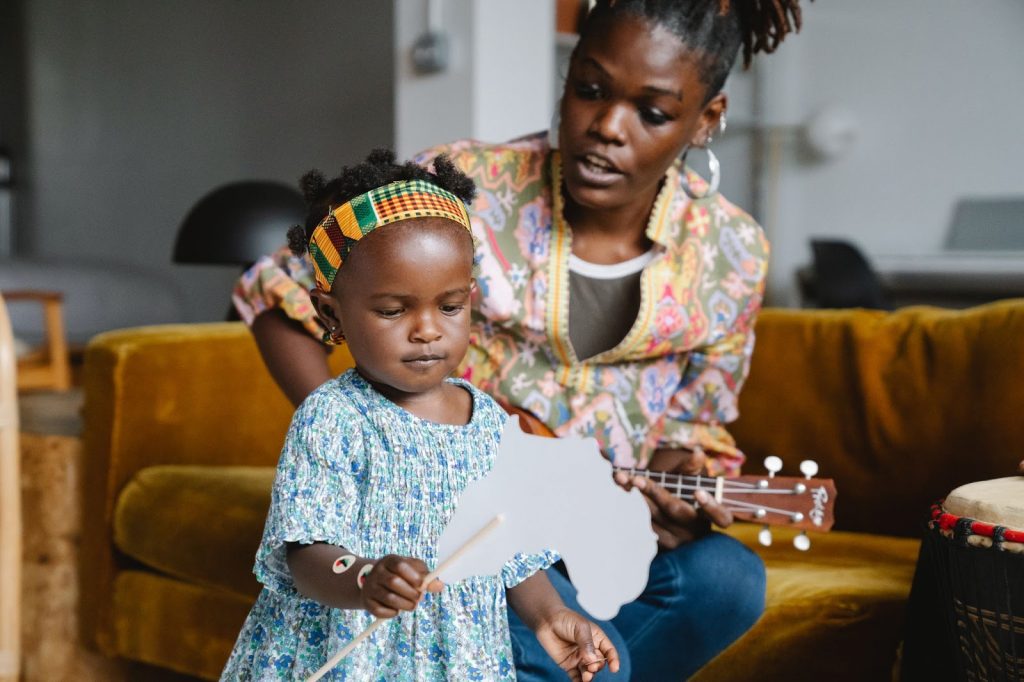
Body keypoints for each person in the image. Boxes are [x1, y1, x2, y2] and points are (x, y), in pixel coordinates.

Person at [232, 1, 809, 678]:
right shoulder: (460, 190)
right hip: (463, 522)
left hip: (598, 523)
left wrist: (684, 470)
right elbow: (275, 293)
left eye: (652, 112)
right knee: (601, 663)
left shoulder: (733, 251)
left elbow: (699, 420)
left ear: (707, 118)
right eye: (589, 90)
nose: (606, 128)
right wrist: (371, 429)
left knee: (728, 580)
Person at [221, 150, 618, 681]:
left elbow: (511, 543)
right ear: (330, 314)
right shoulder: (333, 419)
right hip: (349, 657)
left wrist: (551, 615)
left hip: (459, 660)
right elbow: (305, 553)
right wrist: (363, 578)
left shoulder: (491, 424)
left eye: (449, 307)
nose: (427, 330)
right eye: (393, 310)